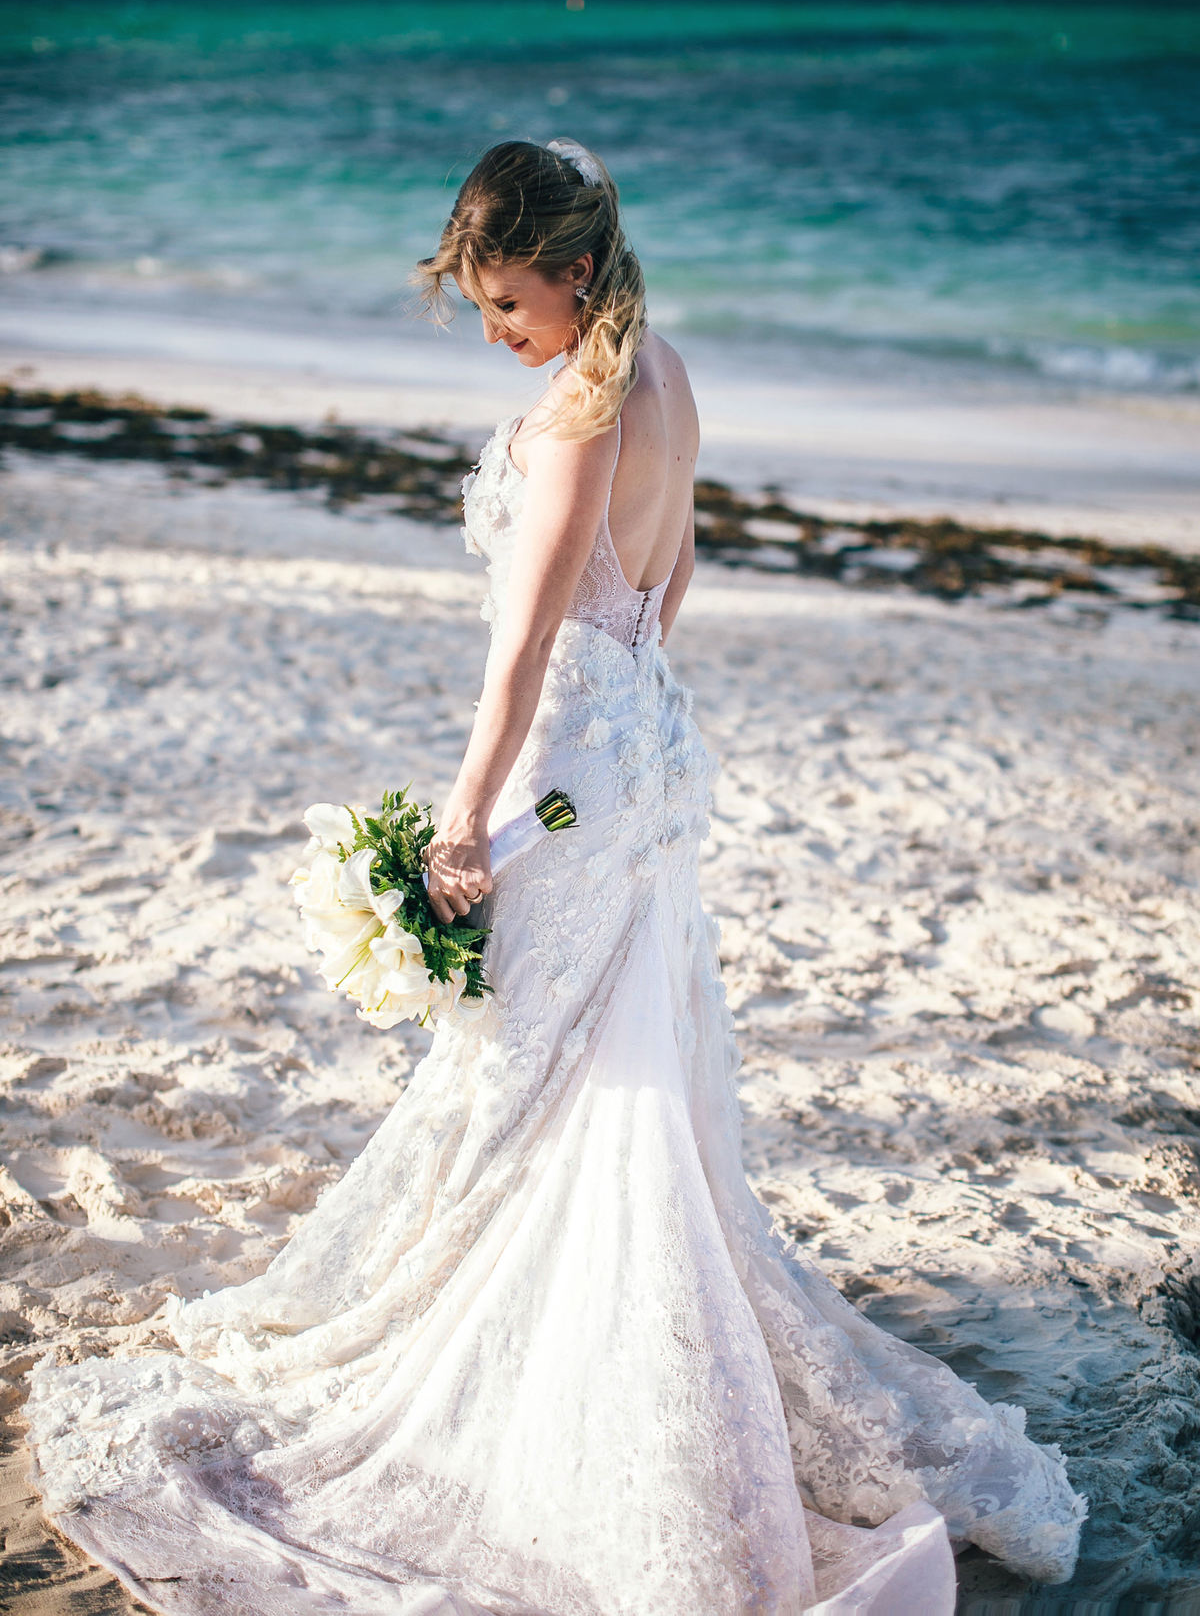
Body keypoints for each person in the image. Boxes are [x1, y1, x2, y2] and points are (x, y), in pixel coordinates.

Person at [25, 138, 1086, 1615]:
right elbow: (677, 568)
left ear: (576, 270)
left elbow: (524, 642)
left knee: (533, 1070)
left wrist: (467, 821)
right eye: (479, 310)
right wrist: (628, 700)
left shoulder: (585, 405)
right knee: (615, 1054)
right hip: (644, 752)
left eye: (508, 304)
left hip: (569, 776)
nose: (494, 335)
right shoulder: (668, 373)